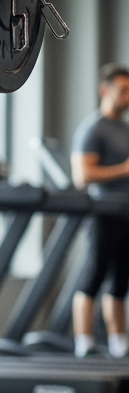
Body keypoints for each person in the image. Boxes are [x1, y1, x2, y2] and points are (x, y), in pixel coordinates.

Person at [71, 64, 129, 358]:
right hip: (102, 214)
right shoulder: (93, 129)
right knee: (93, 277)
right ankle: (85, 343)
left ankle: (120, 344)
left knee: (121, 281)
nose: (127, 97)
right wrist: (123, 169)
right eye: (123, 90)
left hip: (125, 215)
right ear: (105, 91)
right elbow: (82, 175)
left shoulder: (125, 128)